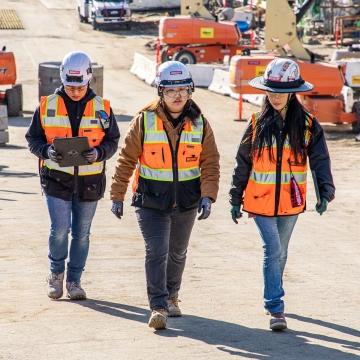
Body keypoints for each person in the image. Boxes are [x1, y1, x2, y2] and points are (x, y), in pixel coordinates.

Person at [110, 61, 220, 330]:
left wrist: (208, 195)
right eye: (171, 89)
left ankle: (172, 296)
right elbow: (126, 159)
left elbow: (210, 162)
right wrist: (117, 194)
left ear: (190, 90)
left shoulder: (199, 123)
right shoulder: (144, 121)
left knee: (177, 252)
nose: (178, 95)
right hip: (150, 200)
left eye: (183, 89)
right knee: (156, 251)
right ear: (160, 91)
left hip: (186, 200)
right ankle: (158, 307)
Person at [229, 58, 335, 331]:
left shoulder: (309, 125)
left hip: (291, 201)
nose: (275, 98)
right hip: (259, 201)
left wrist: (325, 192)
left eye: (281, 92)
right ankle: (276, 307)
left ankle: (273, 291)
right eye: (271, 92)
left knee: (281, 252)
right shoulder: (255, 124)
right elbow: (243, 163)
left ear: (293, 92)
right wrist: (235, 197)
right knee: (272, 250)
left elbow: (320, 160)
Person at [26, 51, 120, 300]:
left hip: (90, 182)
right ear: (62, 80)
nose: (75, 92)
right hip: (57, 179)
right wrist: (46, 151)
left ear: (88, 80)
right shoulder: (47, 106)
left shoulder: (103, 107)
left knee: (82, 233)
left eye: (80, 87)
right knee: (59, 229)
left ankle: (74, 281)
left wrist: (99, 153)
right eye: (70, 86)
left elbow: (113, 140)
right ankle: (56, 274)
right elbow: (32, 138)